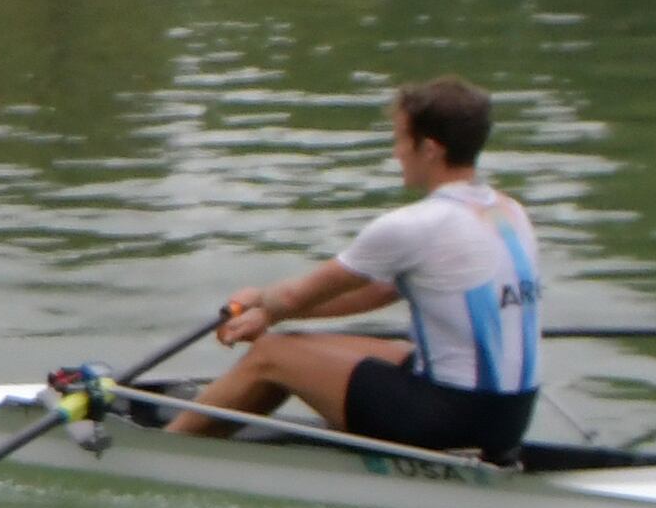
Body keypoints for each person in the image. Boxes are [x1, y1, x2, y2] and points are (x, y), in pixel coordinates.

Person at [173, 76, 549, 462]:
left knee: (271, 353)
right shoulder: (511, 212)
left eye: (401, 139)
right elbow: (380, 290)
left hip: (454, 421)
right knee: (351, 348)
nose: (396, 151)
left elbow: (292, 296)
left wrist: (262, 301)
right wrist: (269, 313)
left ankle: (166, 449)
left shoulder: (417, 224)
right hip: (511, 415)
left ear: (430, 149)